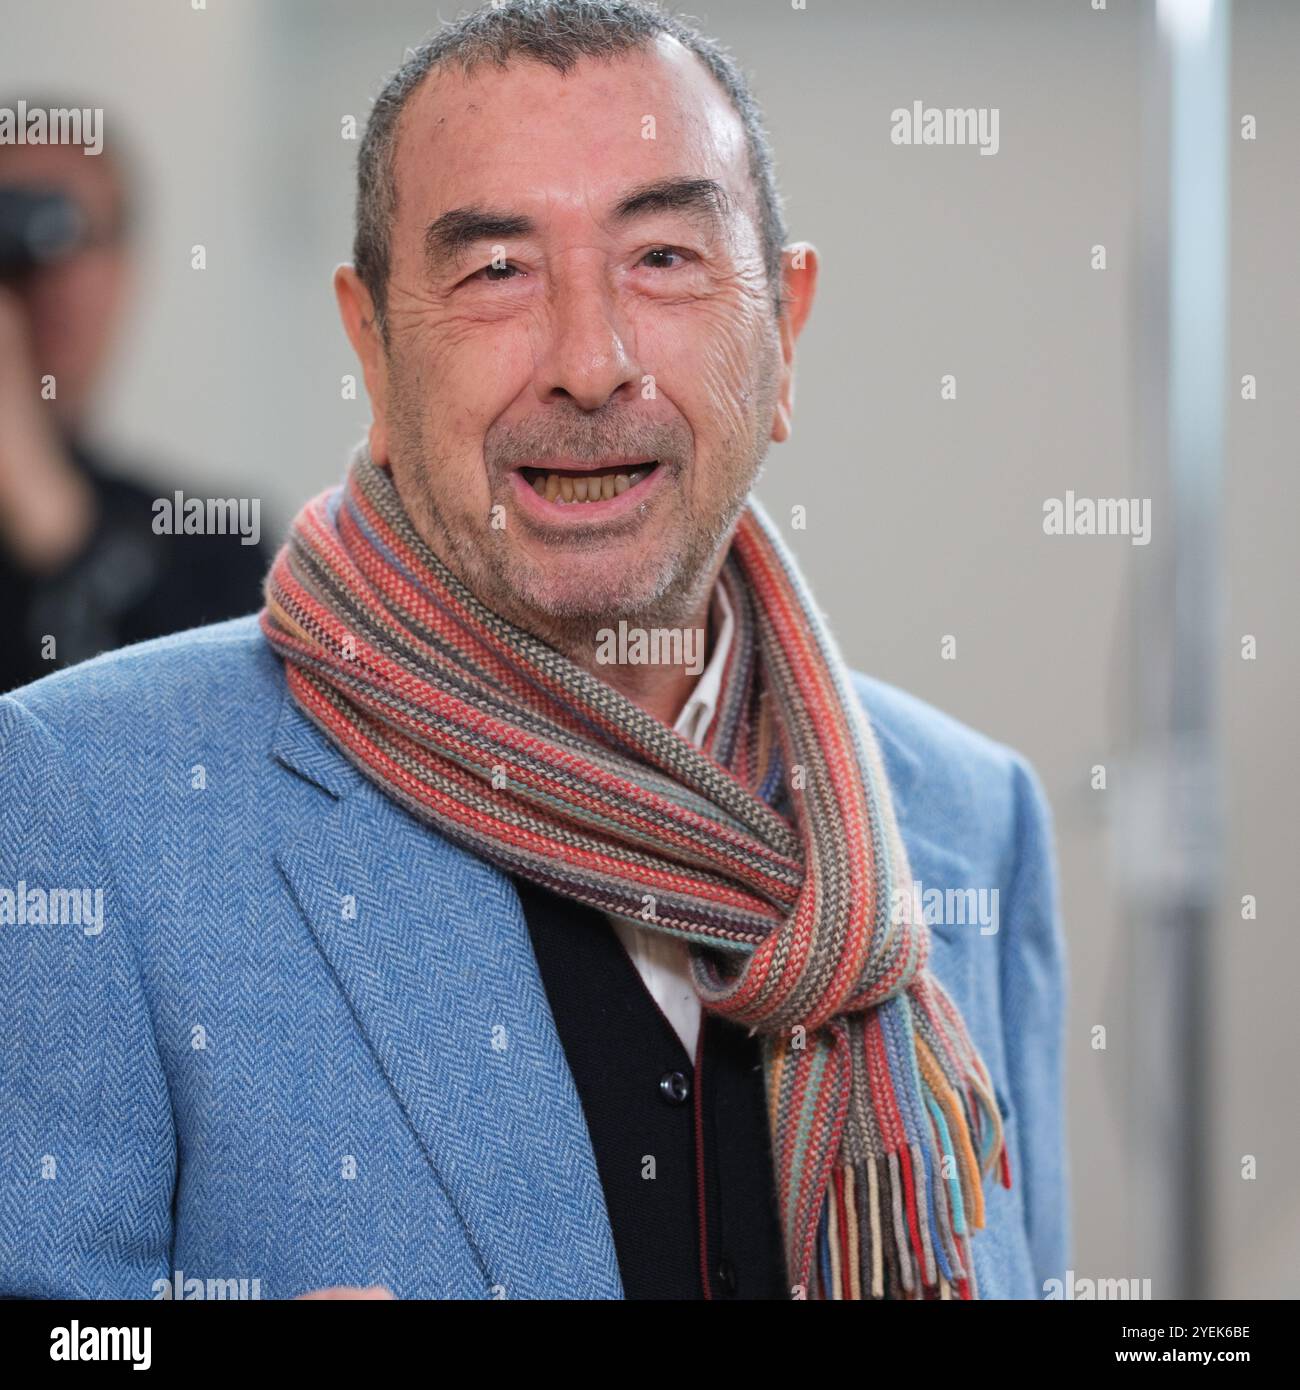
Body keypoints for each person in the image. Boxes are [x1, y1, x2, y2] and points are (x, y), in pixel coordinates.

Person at [0, 1, 1069, 1300]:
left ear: (784, 332)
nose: (588, 361)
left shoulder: (966, 823)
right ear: (375, 351)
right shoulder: (93, 799)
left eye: (664, 256)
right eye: (496, 271)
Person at [0, 105, 270, 694]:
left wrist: (49, 521)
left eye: (71, 232)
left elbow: (188, 751)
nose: (44, 271)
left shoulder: (213, 550)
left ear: (123, 273)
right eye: (13, 229)